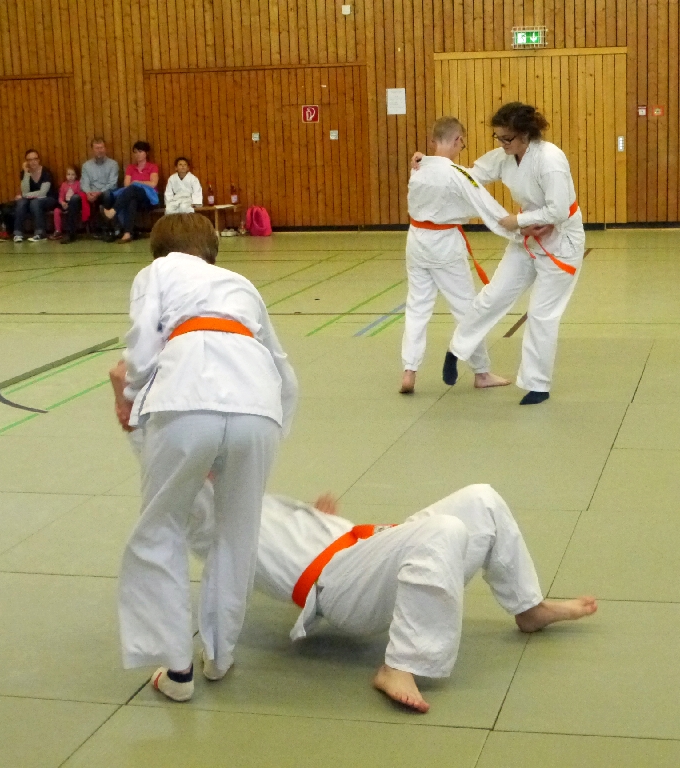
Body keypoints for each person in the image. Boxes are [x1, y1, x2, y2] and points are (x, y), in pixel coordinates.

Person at [107, 379, 599, 712]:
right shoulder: (203, 515)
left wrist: (317, 520)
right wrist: (128, 405)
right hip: (338, 588)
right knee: (444, 532)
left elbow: (275, 532)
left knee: (481, 499)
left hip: (363, 553)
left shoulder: (249, 496)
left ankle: (528, 607)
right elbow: (159, 458)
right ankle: (400, 665)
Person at [115, 213, 298, 703]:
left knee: (161, 527)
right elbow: (284, 371)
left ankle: (177, 672)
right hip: (259, 406)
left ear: (159, 249)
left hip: (186, 397)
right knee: (237, 532)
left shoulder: (157, 271)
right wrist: (266, 433)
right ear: (212, 251)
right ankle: (220, 655)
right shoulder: (241, 284)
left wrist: (131, 398)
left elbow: (142, 349)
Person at [421, 102, 585, 405]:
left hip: (562, 242)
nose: (502, 143)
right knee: (492, 295)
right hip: (528, 237)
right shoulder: (505, 156)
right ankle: (457, 350)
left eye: (507, 138)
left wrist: (516, 221)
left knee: (541, 314)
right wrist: (431, 164)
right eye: (498, 137)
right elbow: (469, 176)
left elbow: (559, 211)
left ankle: (537, 384)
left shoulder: (550, 159)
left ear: (526, 134)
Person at [400, 117, 512, 395]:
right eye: (462, 142)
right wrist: (518, 229)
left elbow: (433, 170)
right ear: (458, 140)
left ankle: (409, 370)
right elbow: (486, 205)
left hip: (416, 241)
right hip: (444, 244)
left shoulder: (418, 169)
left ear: (432, 141)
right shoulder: (456, 174)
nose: (462, 147)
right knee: (465, 308)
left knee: (417, 307)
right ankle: (481, 372)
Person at [103, 141, 160, 243]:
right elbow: (126, 185)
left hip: (148, 198)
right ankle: (127, 233)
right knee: (132, 200)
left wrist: (138, 182)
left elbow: (153, 184)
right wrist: (135, 184)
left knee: (133, 188)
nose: (137, 154)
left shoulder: (152, 167)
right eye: (135, 152)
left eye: (140, 151)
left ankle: (113, 211)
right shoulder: (131, 168)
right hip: (132, 196)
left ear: (146, 153)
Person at [77, 137, 119, 240]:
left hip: (105, 193)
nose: (99, 150)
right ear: (92, 150)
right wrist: (88, 193)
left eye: (101, 148)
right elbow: (84, 183)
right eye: (97, 148)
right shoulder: (86, 166)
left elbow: (113, 184)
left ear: (105, 148)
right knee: (74, 199)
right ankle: (71, 233)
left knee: (107, 195)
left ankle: (106, 229)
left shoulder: (113, 164)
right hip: (90, 194)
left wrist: (98, 193)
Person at [12, 149, 56, 242]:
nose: (33, 162)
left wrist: (25, 195)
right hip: (31, 200)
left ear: (39, 160)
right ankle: (18, 233)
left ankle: (40, 233)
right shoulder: (25, 173)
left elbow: (43, 193)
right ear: (26, 162)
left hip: (48, 198)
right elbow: (24, 190)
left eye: (35, 159)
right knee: (21, 203)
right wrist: (26, 173)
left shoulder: (46, 172)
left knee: (35, 203)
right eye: (30, 160)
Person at [50, 165, 88, 241]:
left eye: (73, 174)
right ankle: (58, 230)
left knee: (72, 209)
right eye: (68, 174)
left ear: (76, 175)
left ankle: (72, 230)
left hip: (74, 203)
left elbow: (79, 195)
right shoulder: (64, 185)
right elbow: (61, 196)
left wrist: (70, 203)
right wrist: (62, 203)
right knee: (56, 211)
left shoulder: (78, 184)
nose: (70, 176)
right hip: (65, 203)